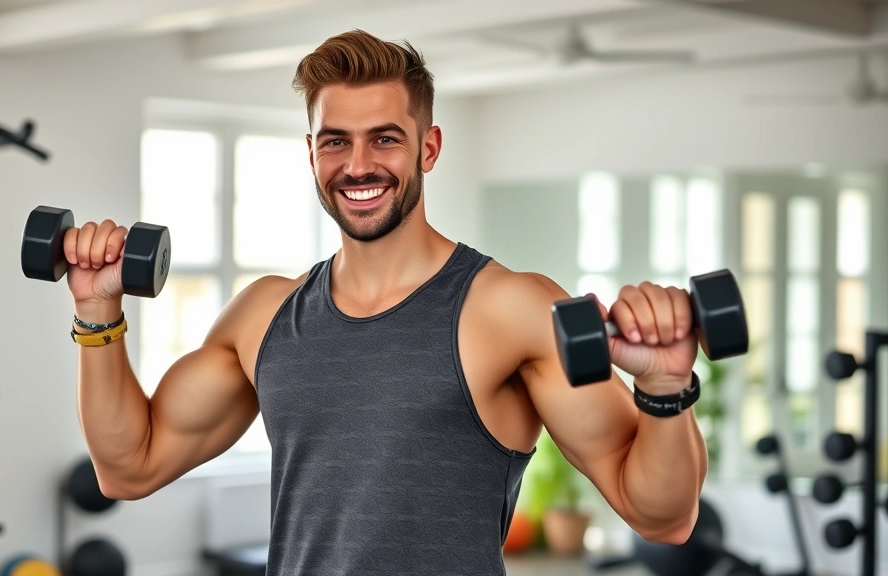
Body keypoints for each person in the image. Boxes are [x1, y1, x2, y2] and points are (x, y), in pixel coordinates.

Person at [64, 29, 707, 575]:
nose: (358, 164)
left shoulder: (509, 310)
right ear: (311, 153)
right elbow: (130, 468)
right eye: (335, 140)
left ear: (427, 148)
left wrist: (666, 386)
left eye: (386, 139)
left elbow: (663, 514)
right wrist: (98, 311)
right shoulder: (264, 315)